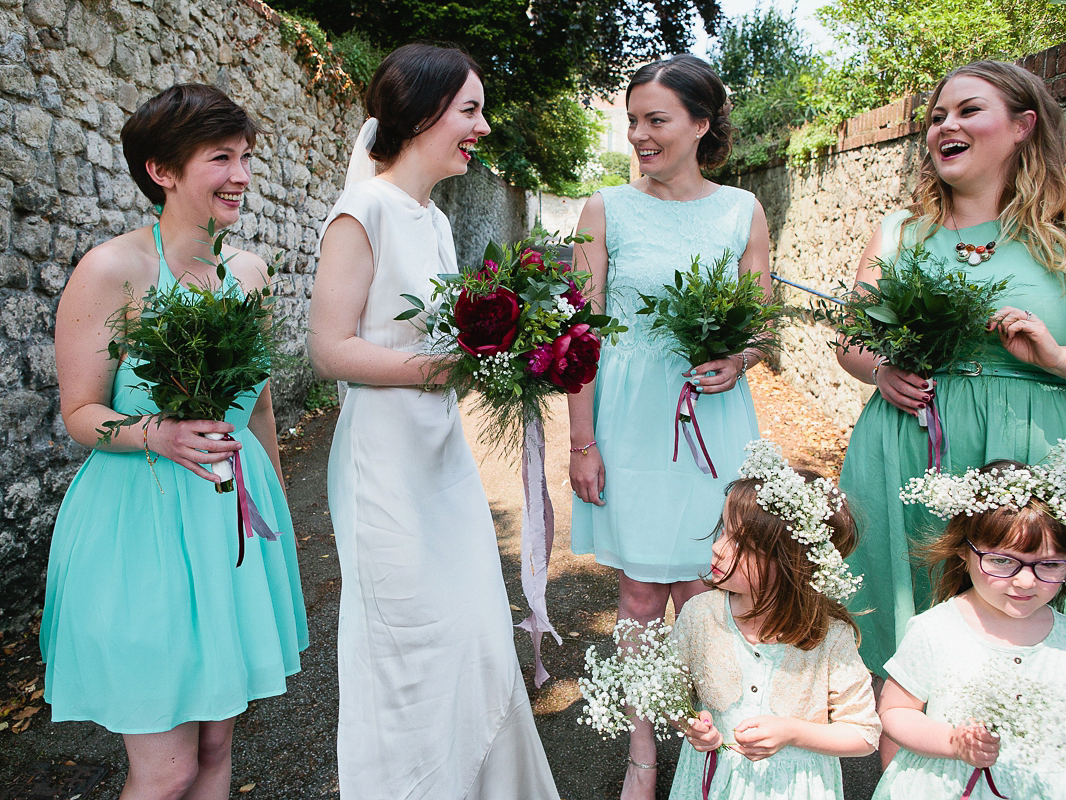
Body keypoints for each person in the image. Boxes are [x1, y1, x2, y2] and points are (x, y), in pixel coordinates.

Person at [307, 44, 559, 800]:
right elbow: (329, 349)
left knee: (472, 631)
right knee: (408, 642)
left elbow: (450, 341)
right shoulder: (364, 211)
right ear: (420, 114)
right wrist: (443, 370)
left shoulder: (437, 223)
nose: (482, 126)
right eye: (470, 110)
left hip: (439, 453)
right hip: (383, 456)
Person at [41, 84, 307, 800]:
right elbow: (78, 412)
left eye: (246, 156)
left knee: (218, 747)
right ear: (162, 170)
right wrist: (158, 432)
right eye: (221, 157)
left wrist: (275, 509)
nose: (242, 175)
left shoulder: (248, 273)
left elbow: (257, 410)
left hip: (230, 524)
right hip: (141, 528)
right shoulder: (113, 270)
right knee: (168, 770)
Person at [567, 54, 771, 797]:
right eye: (633, 121)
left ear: (701, 123)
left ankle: (713, 747)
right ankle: (644, 753)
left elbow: (761, 325)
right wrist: (582, 442)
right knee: (640, 598)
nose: (639, 136)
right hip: (628, 422)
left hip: (712, 422)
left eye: (655, 120)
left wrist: (740, 356)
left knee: (709, 590)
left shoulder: (742, 209)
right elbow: (577, 340)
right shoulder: (605, 209)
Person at [836, 61, 1066, 688]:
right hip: (905, 454)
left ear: (1023, 126)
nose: (945, 126)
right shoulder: (899, 232)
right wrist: (882, 371)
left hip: (1031, 459)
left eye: (967, 111)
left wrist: (1054, 358)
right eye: (937, 116)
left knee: (1022, 646)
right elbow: (851, 342)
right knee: (905, 646)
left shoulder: (1060, 239)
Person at [672, 441, 879, 800]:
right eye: (724, 530)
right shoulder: (700, 614)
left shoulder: (829, 637)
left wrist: (792, 733)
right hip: (710, 780)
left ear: (789, 563)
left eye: (740, 544)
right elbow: (672, 693)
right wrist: (692, 725)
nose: (718, 548)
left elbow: (864, 735)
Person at [874, 457, 1066, 798]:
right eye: (1002, 561)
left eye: (1049, 565)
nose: (1025, 581)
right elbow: (895, 711)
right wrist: (952, 742)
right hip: (947, 785)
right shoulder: (935, 630)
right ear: (965, 550)